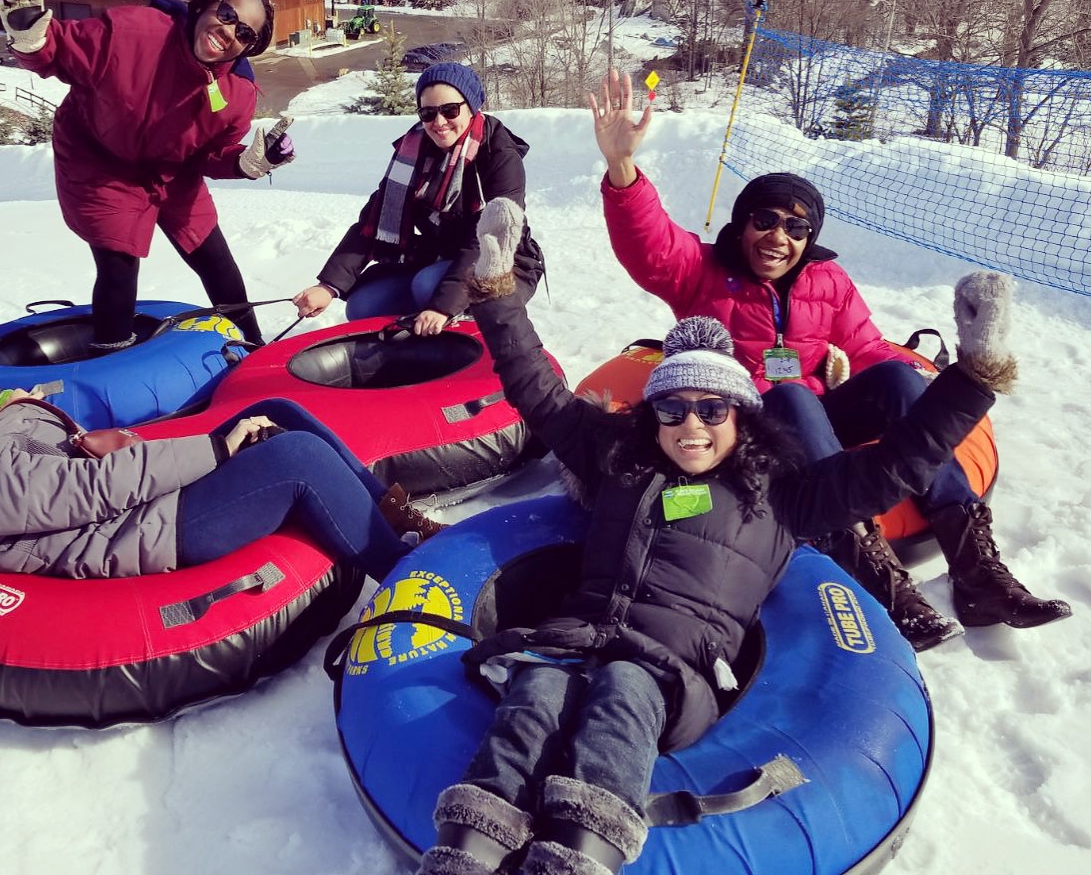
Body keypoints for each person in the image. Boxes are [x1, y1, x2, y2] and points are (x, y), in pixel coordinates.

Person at [414, 199, 1015, 875]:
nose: (689, 424)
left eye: (711, 408)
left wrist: (972, 377)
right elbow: (538, 392)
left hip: (669, 671)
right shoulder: (618, 458)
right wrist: (496, 294)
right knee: (534, 697)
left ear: (740, 414)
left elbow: (898, 461)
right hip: (574, 636)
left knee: (620, 697)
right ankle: (466, 854)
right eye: (671, 406)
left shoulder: (782, 492)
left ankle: (577, 860)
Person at [589, 69, 1070, 650]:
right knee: (788, 393)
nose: (778, 237)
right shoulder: (702, 271)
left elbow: (868, 347)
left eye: (795, 227)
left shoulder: (828, 280)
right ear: (742, 226)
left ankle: (977, 570)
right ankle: (874, 572)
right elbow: (650, 243)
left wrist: (922, 386)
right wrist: (622, 167)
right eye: (764, 220)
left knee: (893, 375)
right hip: (741, 427)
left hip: (816, 417)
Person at [0, 331, 441, 582]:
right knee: (296, 457)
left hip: (141, 508)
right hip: (150, 530)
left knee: (278, 412)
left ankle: (387, 515)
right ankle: (404, 575)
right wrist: (214, 447)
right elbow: (98, 491)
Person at [0, 0, 296, 351]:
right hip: (99, 160)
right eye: (227, 13)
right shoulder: (135, 33)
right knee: (119, 263)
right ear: (205, 4)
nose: (230, 32)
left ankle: (252, 346)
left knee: (216, 260)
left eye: (245, 34)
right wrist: (31, 38)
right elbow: (60, 50)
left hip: (173, 171)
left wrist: (247, 164)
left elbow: (210, 156)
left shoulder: (236, 94)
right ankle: (111, 356)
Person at [293, 63, 544, 336]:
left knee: (428, 286)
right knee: (362, 306)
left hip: (502, 263)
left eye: (450, 110)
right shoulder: (413, 150)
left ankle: (468, 334)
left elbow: (488, 239)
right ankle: (412, 343)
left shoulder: (499, 155)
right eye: (428, 113)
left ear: (472, 107)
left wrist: (442, 307)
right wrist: (328, 286)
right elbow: (374, 219)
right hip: (439, 257)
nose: (438, 122)